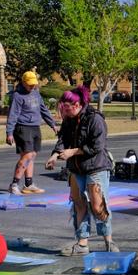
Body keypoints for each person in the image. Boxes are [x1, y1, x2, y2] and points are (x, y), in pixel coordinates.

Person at [45, 86, 114, 256]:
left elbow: (97, 146)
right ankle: (82, 243)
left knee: (98, 207)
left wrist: (73, 152)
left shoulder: (95, 119)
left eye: (67, 108)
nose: (65, 112)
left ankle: (108, 241)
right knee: (78, 204)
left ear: (77, 105)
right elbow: (63, 139)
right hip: (76, 169)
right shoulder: (69, 119)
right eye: (63, 109)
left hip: (96, 167)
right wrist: (54, 155)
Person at [5, 71, 58, 195]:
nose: (32, 86)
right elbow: (13, 115)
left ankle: (28, 184)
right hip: (23, 128)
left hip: (35, 127)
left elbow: (43, 109)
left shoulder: (36, 93)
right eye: (29, 84)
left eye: (33, 84)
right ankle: (14, 184)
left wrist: (53, 125)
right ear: (23, 82)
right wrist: (9, 132)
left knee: (32, 156)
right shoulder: (17, 96)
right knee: (27, 156)